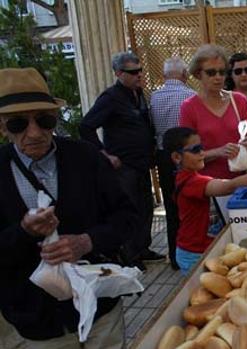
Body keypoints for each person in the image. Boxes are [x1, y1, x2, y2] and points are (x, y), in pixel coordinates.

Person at [0, 68, 137, 348]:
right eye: (18, 124)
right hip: (37, 322)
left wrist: (87, 241)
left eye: (44, 120)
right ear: (1, 127)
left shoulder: (85, 157)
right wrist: (24, 232)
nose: (35, 132)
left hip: (100, 309)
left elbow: (127, 216)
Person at [162, 127, 247, 274]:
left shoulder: (194, 178)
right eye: (195, 149)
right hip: (193, 252)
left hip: (202, 247)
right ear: (177, 157)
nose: (202, 153)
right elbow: (229, 186)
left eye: (202, 147)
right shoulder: (190, 182)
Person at [80, 51, 163, 271]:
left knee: (146, 208)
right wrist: (105, 155)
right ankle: (130, 255)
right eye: (133, 72)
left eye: (140, 70)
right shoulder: (110, 98)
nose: (139, 75)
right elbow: (86, 127)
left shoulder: (138, 94)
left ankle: (143, 248)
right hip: (123, 167)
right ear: (118, 73)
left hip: (142, 163)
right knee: (129, 210)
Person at [180, 45, 247, 180]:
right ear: (198, 74)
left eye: (222, 72)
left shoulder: (239, 101)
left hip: (243, 180)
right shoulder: (189, 107)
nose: (218, 77)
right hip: (210, 184)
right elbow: (187, 155)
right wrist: (218, 152)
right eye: (211, 72)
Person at [151, 56, 196, 270]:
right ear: (185, 75)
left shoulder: (154, 97)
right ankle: (190, 251)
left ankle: (174, 255)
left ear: (164, 75)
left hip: (163, 157)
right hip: (186, 156)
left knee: (171, 206)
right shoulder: (191, 96)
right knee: (189, 205)